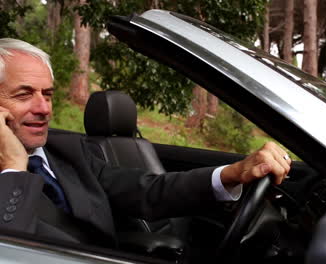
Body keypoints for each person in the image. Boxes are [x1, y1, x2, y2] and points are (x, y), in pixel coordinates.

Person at [0, 38, 291, 247]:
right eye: (24, 95)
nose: (44, 109)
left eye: (47, 95)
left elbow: (148, 192)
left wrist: (233, 173)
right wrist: (14, 168)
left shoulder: (68, 151)